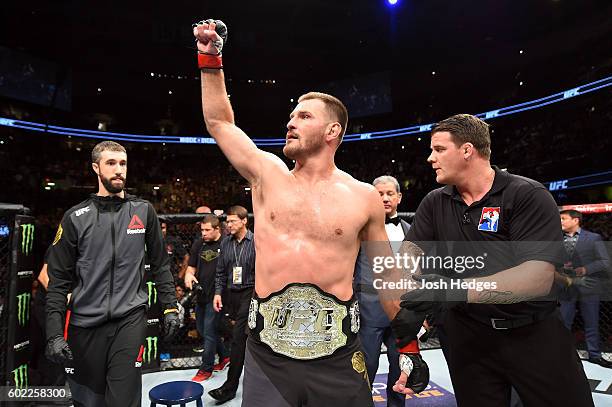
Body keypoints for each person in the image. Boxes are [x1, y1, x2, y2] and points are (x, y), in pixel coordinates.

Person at [193, 20, 427, 407]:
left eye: (303, 116)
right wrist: (210, 58)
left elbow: (387, 277)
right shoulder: (266, 174)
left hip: (337, 356)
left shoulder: (363, 196)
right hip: (268, 354)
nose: (290, 122)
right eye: (291, 116)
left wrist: (409, 345)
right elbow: (220, 123)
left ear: (333, 131)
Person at [396, 114, 594, 406]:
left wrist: (452, 290)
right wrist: (410, 343)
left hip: (533, 332)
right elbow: (408, 259)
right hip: (467, 336)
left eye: (438, 149)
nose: (430, 158)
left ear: (467, 150)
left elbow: (537, 278)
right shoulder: (434, 201)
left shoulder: (527, 194)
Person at [45, 141, 180, 407]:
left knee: (123, 399)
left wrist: (170, 307)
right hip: (85, 324)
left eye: (123, 163)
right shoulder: (75, 217)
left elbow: (161, 264)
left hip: (130, 319)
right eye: (111, 163)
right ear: (96, 167)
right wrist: (54, 333)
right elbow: (58, 282)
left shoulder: (143, 211)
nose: (119, 170)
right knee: (90, 400)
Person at [354, 175, 411, 407]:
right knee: (366, 366)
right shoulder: (359, 231)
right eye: (379, 194)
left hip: (403, 311)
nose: (385, 198)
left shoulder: (410, 229)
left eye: (390, 194)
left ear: (399, 197)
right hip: (369, 309)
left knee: (401, 368)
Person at [209, 206, 256, 402]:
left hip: (251, 292)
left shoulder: (256, 242)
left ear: (244, 221)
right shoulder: (226, 244)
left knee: (238, 339)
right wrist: (218, 293)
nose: (228, 225)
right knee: (229, 332)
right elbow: (220, 271)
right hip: (230, 294)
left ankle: (229, 388)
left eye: (232, 221)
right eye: (227, 222)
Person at [558, 209, 612, 368]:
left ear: (576, 220)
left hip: (589, 286)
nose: (560, 222)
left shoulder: (593, 238)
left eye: (563, 219)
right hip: (566, 286)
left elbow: (604, 261)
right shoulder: (556, 239)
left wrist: (584, 269)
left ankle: (594, 355)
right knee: (564, 323)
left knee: (591, 322)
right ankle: (563, 354)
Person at [184, 214, 230, 381]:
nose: (203, 233)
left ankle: (206, 369)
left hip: (217, 295)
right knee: (203, 330)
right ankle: (225, 357)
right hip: (201, 294)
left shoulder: (226, 244)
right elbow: (191, 268)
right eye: (202, 230)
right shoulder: (199, 243)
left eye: (207, 230)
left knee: (210, 331)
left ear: (217, 229)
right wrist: (188, 276)